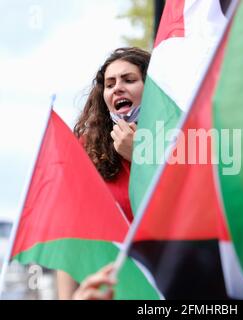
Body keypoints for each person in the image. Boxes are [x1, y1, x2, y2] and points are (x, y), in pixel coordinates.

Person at [57, 47, 151, 299]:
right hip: (107, 288)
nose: (118, 88)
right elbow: (71, 232)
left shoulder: (182, 142)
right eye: (110, 84)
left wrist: (141, 159)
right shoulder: (86, 147)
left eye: (129, 80)